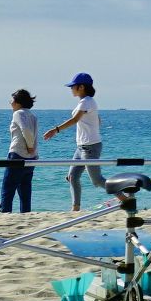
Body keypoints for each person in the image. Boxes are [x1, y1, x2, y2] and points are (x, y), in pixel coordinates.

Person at [42, 72, 106, 211]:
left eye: (73, 86)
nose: (71, 89)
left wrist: (55, 130)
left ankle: (125, 198)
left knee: (97, 181)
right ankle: (75, 208)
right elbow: (98, 120)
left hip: (90, 147)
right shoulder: (88, 102)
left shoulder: (86, 101)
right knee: (72, 176)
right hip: (82, 147)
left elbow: (75, 120)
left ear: (81, 87)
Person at [3, 88, 39, 213]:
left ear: (18, 102)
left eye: (12, 100)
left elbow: (27, 131)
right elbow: (34, 135)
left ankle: (5, 215)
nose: (10, 103)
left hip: (17, 154)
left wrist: (29, 146)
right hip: (31, 158)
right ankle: (25, 214)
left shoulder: (18, 113)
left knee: (8, 190)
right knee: (25, 190)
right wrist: (34, 152)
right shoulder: (32, 115)